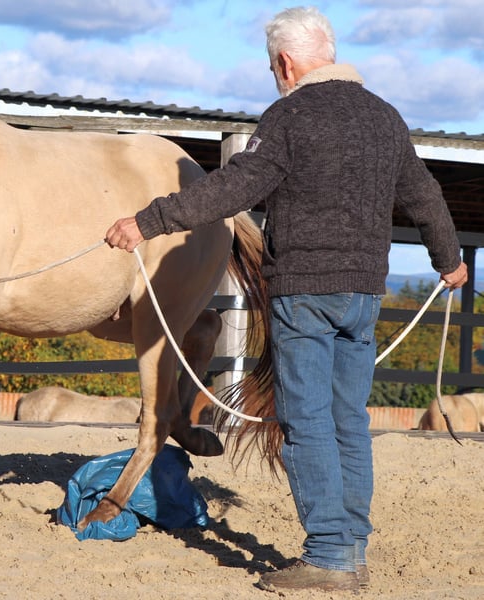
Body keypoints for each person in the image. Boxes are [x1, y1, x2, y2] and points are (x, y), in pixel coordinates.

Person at [105, 5, 468, 594]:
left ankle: (328, 556)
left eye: (273, 68)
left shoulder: (290, 115)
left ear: (285, 62)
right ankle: (351, 551)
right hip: (363, 296)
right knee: (349, 422)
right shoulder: (385, 118)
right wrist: (449, 261)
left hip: (305, 294)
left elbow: (232, 188)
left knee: (305, 423)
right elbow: (425, 197)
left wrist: (148, 222)